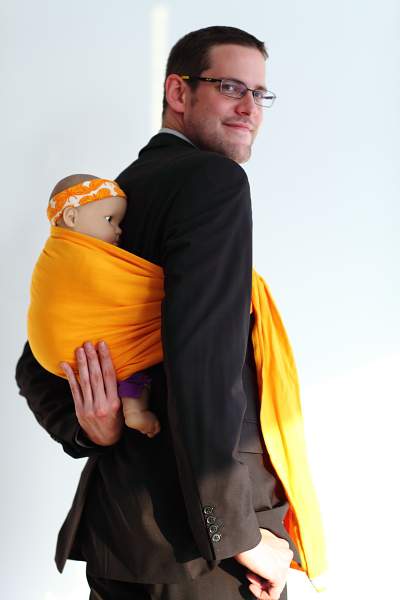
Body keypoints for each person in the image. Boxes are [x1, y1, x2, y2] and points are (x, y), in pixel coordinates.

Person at [15, 26, 326, 600]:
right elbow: (204, 362)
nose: (249, 108)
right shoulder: (214, 182)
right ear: (178, 92)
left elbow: (38, 355)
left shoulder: (114, 199)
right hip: (201, 554)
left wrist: (90, 427)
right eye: (231, 87)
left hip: (122, 538)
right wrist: (236, 535)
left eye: (260, 93)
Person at [27, 173, 160, 438]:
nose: (118, 231)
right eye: (110, 220)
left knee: (129, 366)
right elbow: (123, 288)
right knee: (130, 359)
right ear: (71, 217)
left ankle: (134, 410)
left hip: (69, 354)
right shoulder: (76, 258)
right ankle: (134, 409)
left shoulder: (52, 258)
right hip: (76, 354)